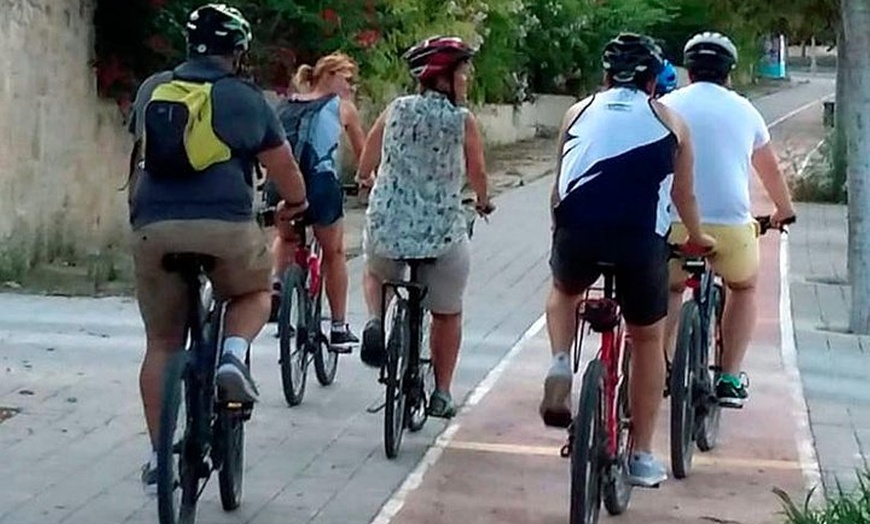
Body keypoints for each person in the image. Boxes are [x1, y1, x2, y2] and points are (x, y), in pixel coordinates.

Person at [126, 4, 308, 493]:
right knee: (253, 293)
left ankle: (158, 458)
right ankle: (231, 354)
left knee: (163, 344)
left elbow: (137, 162)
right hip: (224, 227)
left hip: (153, 227)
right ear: (239, 51)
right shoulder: (244, 98)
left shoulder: (151, 90)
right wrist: (296, 204)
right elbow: (284, 168)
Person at [539, 32, 715, 487]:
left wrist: (559, 233)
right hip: (639, 241)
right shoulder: (671, 121)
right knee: (647, 339)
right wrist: (698, 238)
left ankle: (560, 359)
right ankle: (640, 454)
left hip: (579, 232)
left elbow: (559, 184)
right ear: (654, 80)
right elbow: (682, 194)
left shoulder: (577, 111)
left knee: (564, 292)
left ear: (605, 75)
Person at [355, 36, 494, 419]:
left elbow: (370, 147)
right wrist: (482, 200)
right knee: (447, 311)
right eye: (462, 72)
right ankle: (443, 393)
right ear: (444, 77)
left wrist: (365, 177)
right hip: (441, 233)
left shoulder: (397, 108)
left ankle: (373, 320)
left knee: (377, 273)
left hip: (388, 223)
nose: (466, 79)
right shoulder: (462, 120)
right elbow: (477, 171)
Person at [659, 31, 796, 408]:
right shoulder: (745, 111)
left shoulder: (665, 106)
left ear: (688, 71)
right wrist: (784, 212)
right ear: (729, 73)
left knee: (670, 288)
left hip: (673, 225)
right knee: (745, 286)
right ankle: (731, 377)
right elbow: (770, 172)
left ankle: (658, 367)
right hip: (730, 229)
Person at [267, 52, 366, 350]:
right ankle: (338, 327)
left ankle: (277, 285)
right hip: (322, 187)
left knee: (285, 239)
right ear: (329, 75)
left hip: (281, 185)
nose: (351, 87)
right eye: (347, 80)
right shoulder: (343, 109)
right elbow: (364, 156)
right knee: (333, 253)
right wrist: (368, 179)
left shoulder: (286, 104)